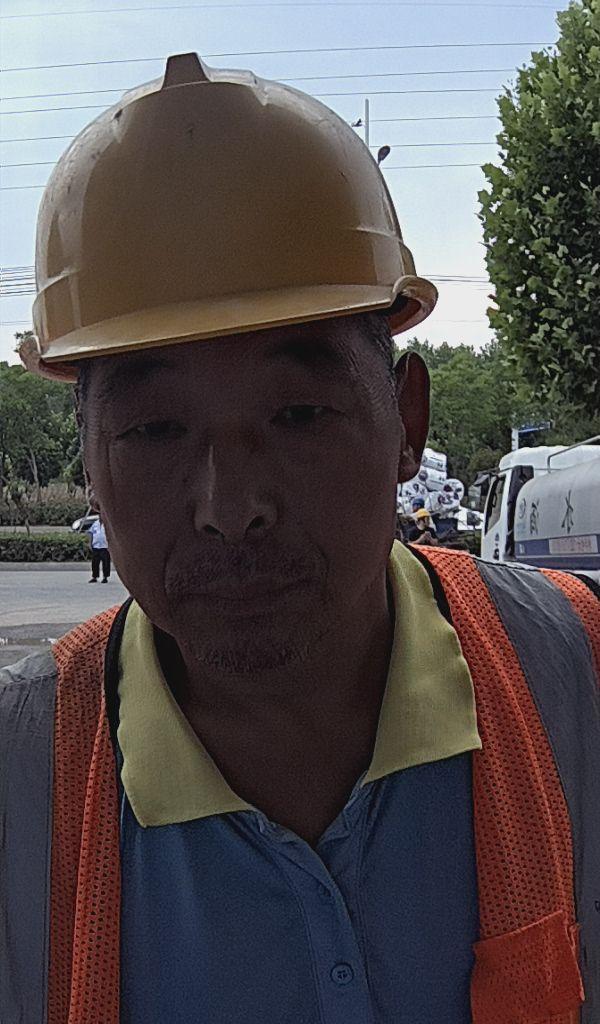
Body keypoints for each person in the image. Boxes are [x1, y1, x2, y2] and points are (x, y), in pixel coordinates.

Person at [2, 52, 599, 1024]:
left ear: (406, 423)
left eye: (298, 414)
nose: (230, 505)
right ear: (91, 464)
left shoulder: (576, 672)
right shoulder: (21, 775)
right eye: (156, 430)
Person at [87, 515, 111, 583]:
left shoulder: (107, 524)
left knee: (106, 563)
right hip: (96, 546)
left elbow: (110, 535)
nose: (101, 517)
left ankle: (105, 577)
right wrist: (90, 543)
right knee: (95, 563)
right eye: (100, 516)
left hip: (105, 547)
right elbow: (90, 533)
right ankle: (94, 577)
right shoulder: (95, 523)